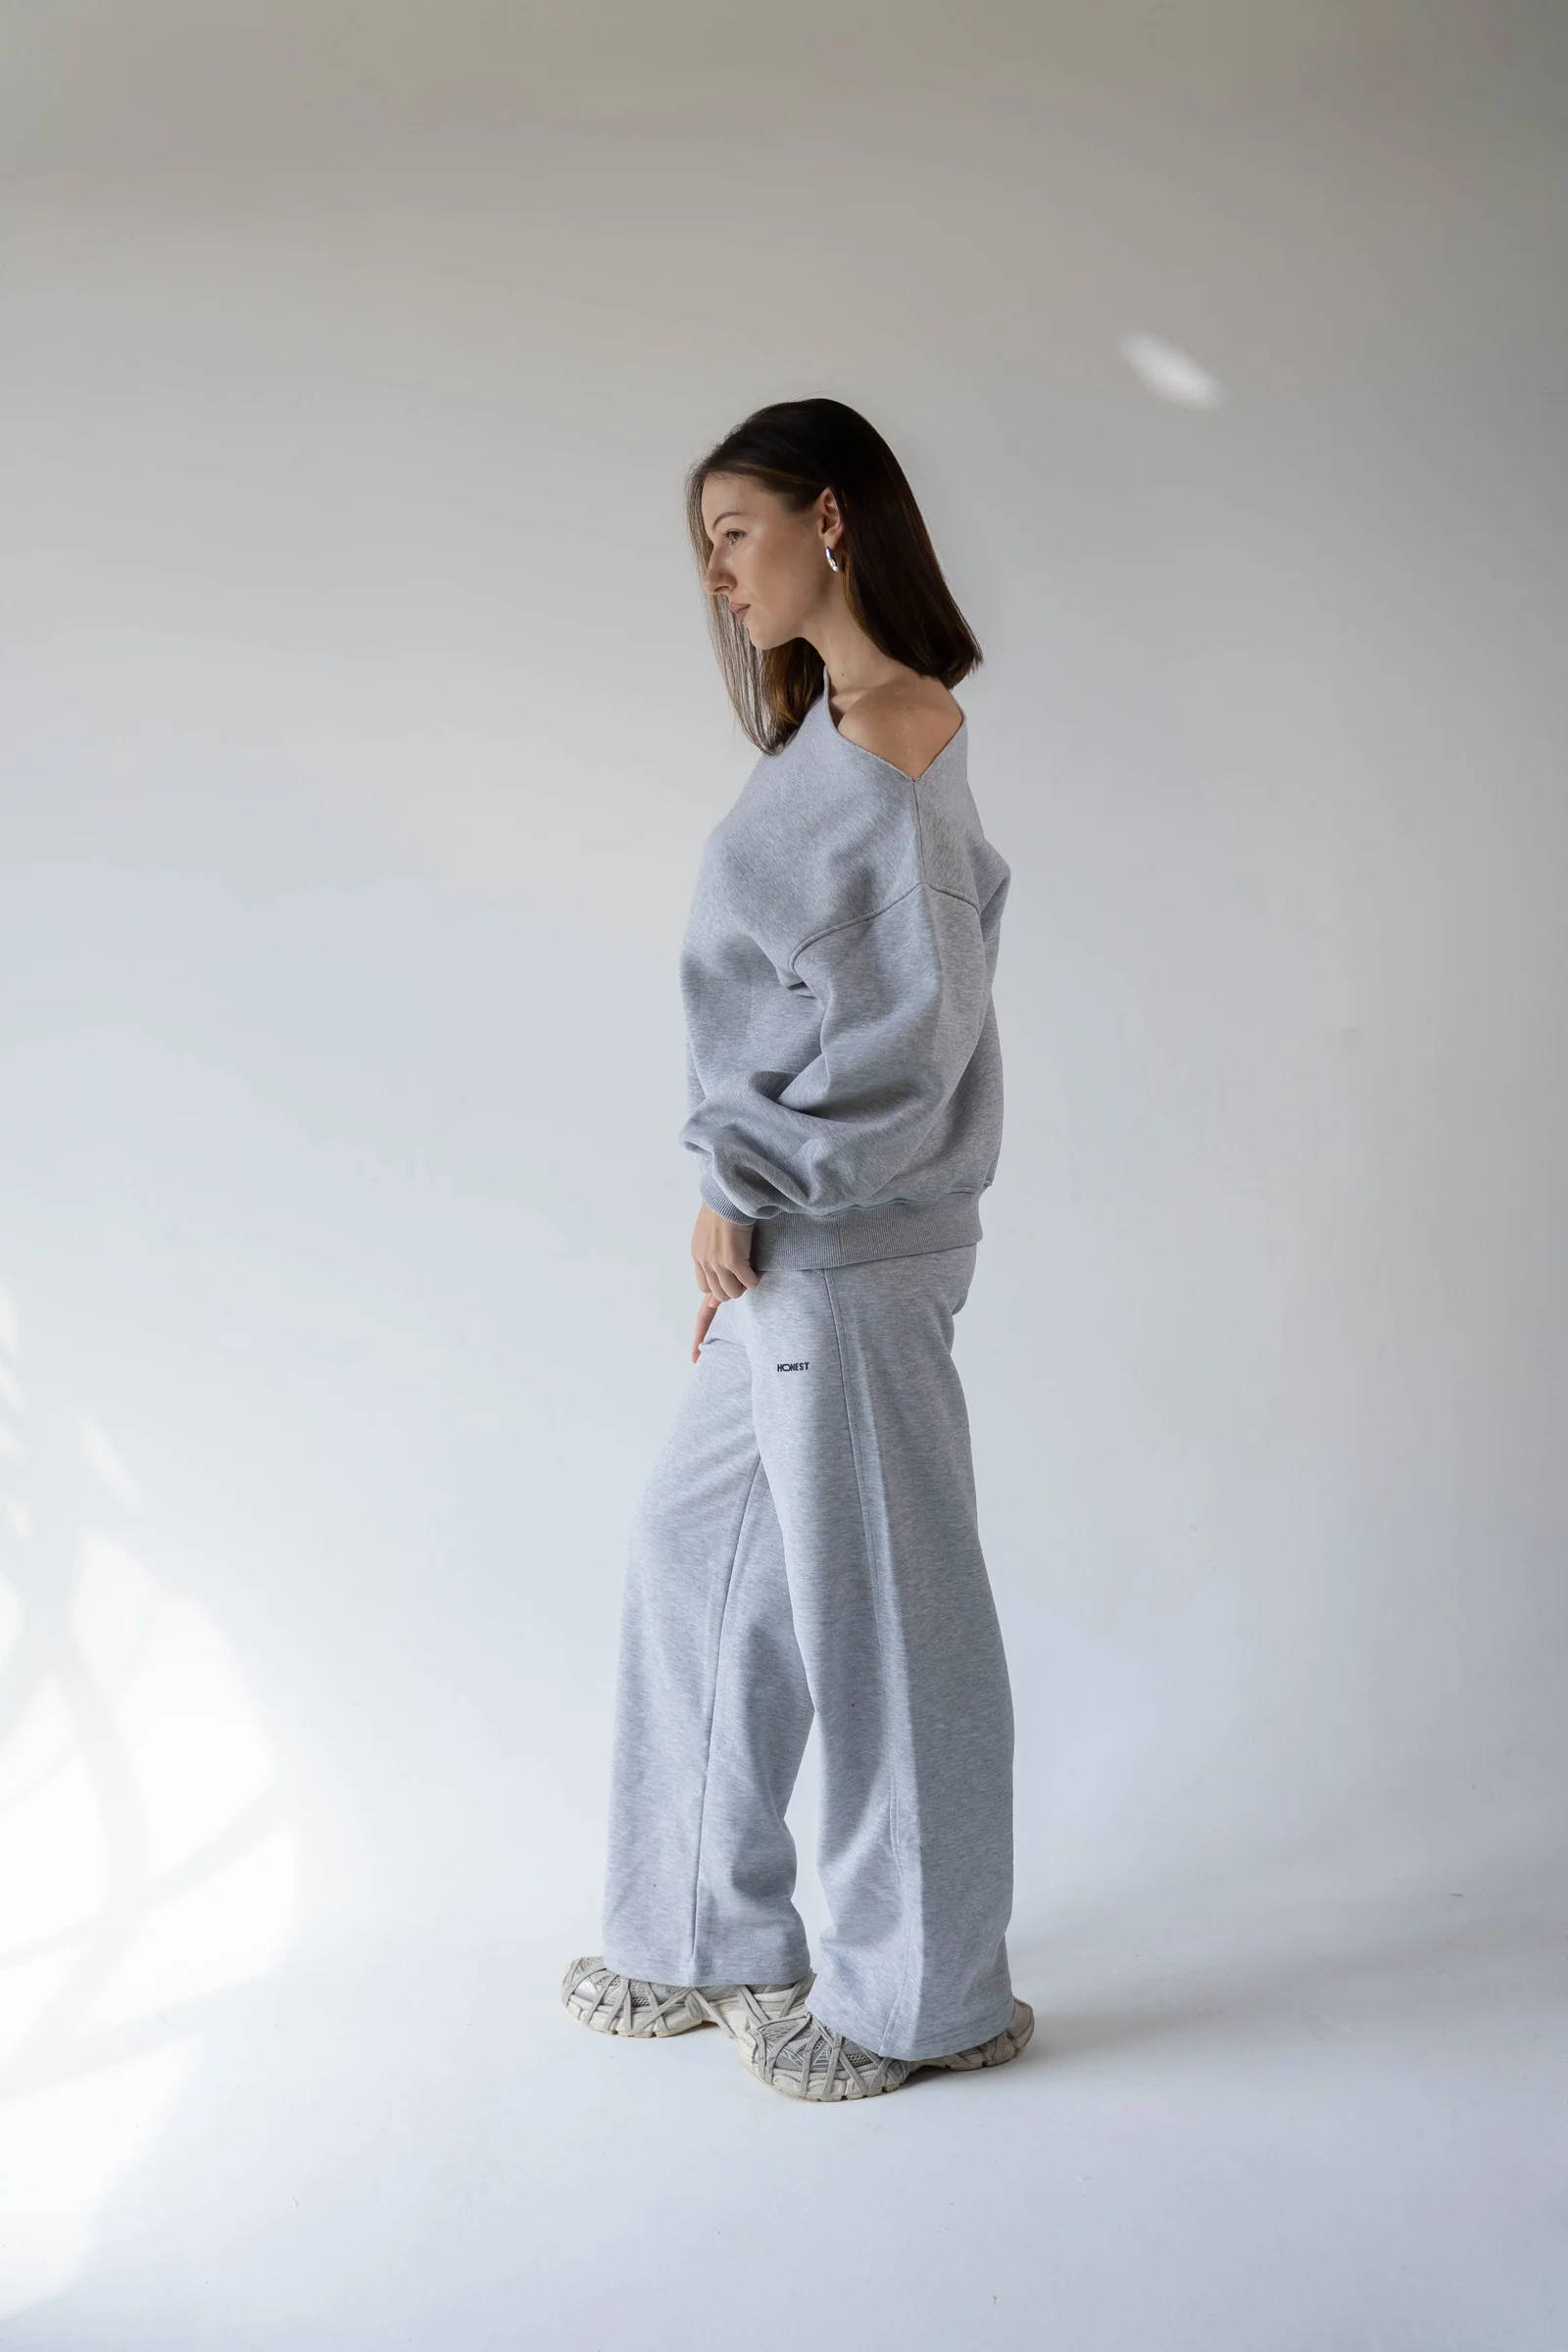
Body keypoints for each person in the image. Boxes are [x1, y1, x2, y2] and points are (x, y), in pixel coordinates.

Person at [562, 397, 1031, 2102]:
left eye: (734, 534)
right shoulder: (835, 732)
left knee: (884, 1618)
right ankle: (704, 1932)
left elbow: (909, 1040)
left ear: (831, 518)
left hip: (846, 1243)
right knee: (699, 1556)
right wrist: (741, 1193)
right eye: (703, 547)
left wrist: (745, 1179)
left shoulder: (896, 736)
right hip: (794, 1248)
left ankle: (926, 2000)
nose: (717, 575)